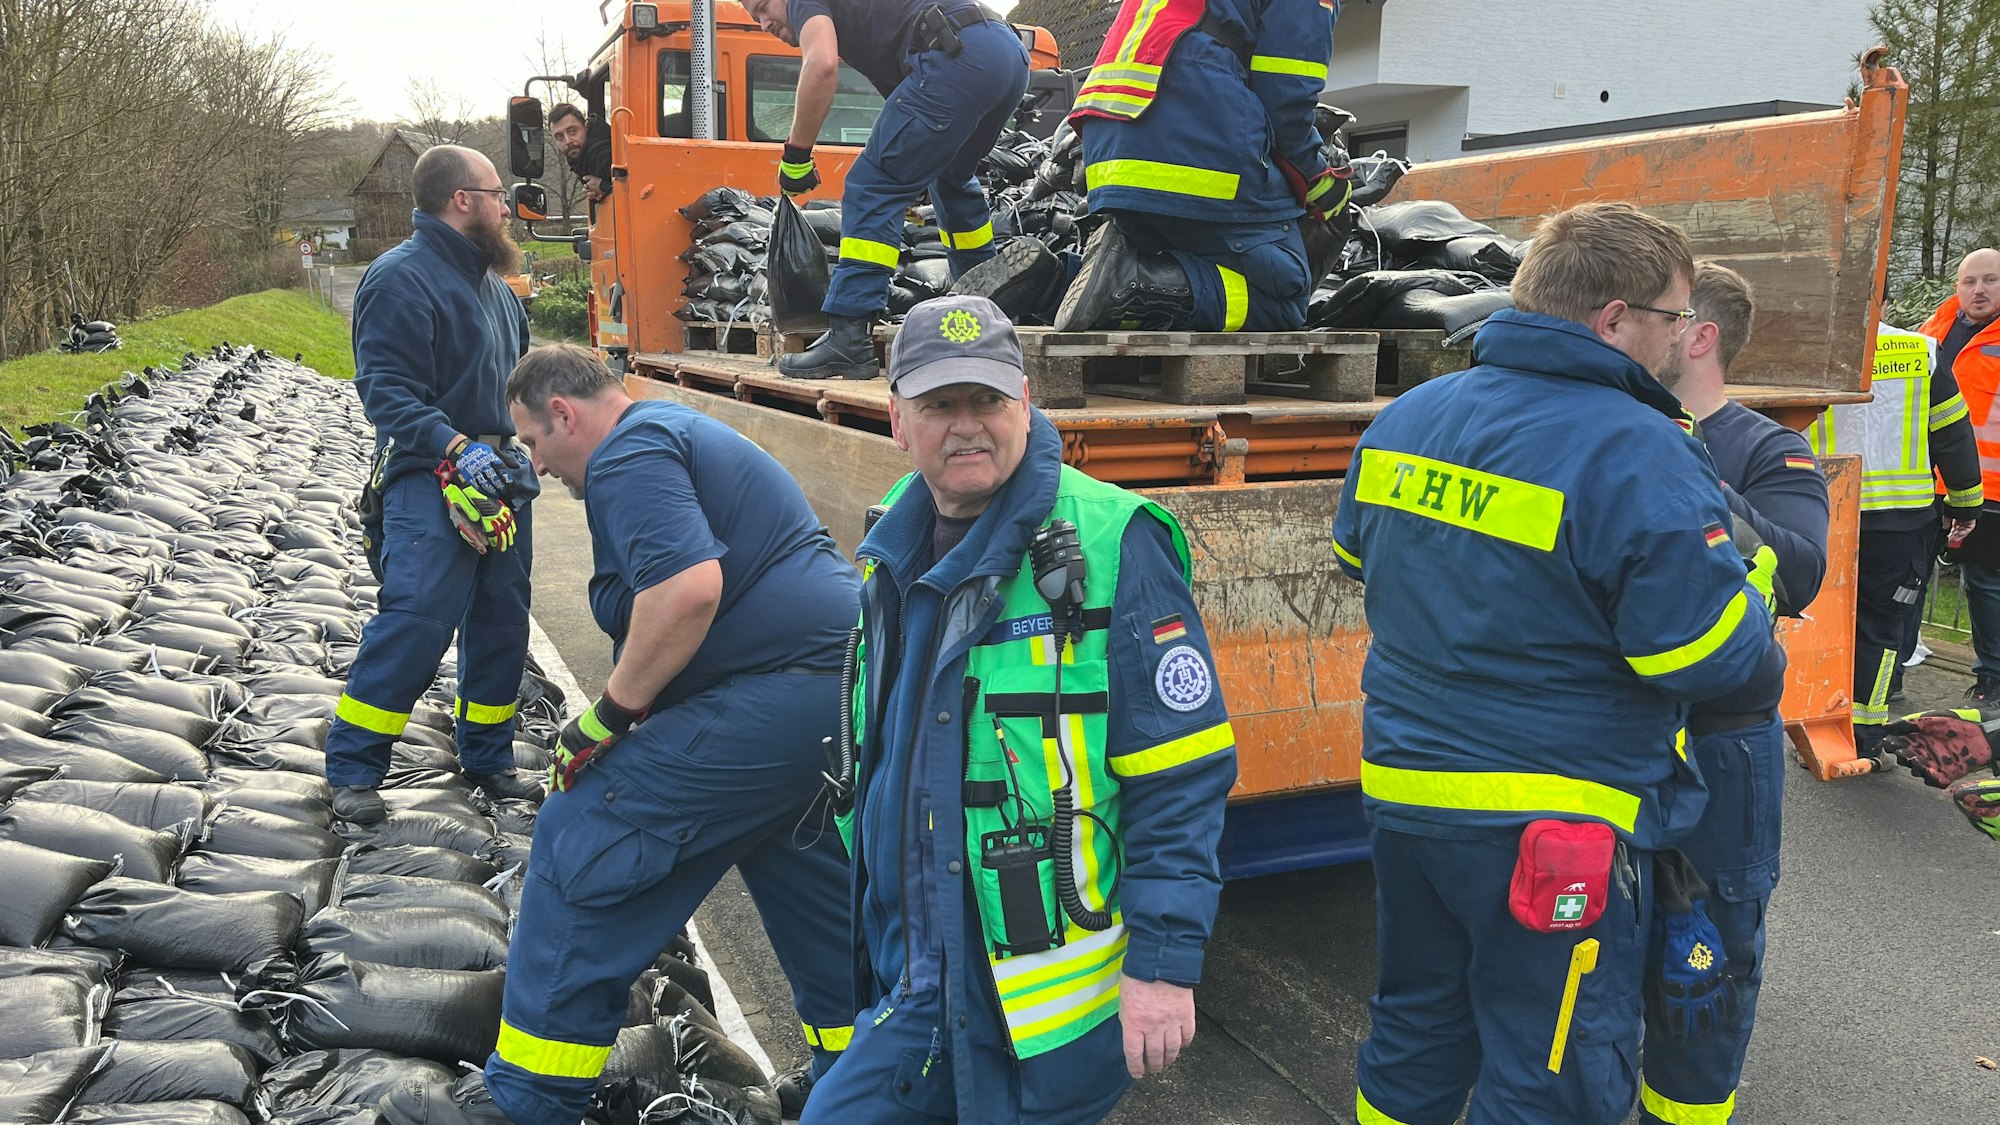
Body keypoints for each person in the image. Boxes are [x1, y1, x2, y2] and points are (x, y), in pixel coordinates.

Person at [1332, 202, 1778, 1125]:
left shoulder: (1408, 417)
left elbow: (1355, 556)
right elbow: (1697, 655)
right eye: (1672, 317)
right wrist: (1755, 587)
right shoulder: (1641, 448)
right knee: (1555, 1069)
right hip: (1554, 820)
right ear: (1615, 319)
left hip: (1407, 793)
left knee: (1417, 1026)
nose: (1679, 338)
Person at [381, 344, 858, 1125]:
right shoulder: (666, 435)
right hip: (828, 696)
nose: (538, 466)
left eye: (533, 442)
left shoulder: (629, 452)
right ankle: (860, 1071)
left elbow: (686, 590)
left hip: (787, 687)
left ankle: (528, 1096)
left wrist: (607, 715)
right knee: (803, 875)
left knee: (586, 827)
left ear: (562, 412)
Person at [802, 295, 1237, 1122]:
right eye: (939, 404)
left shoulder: (1116, 541)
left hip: (1033, 1017)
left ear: (1026, 404)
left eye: (987, 400)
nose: (966, 425)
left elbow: (1181, 777)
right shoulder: (892, 538)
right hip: (917, 968)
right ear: (898, 421)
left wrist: (1164, 966)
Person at [1639, 262, 1829, 1124]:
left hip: (1724, 740)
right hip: (1622, 727)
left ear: (1699, 336)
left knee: (1709, 951)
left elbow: (1800, 570)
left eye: (1665, 315)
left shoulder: (1766, 448)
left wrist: (1689, 474)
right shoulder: (1614, 425)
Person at [331, 144, 541, 825]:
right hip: (429, 477)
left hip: (497, 479)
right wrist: (455, 446)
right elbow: (386, 393)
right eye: (496, 194)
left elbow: (517, 382)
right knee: (418, 619)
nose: (507, 207)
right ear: (462, 200)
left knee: (501, 621)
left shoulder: (496, 289)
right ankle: (354, 769)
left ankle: (488, 756)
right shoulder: (401, 279)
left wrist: (521, 451)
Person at [987, 0, 1346, 334]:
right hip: (1190, 147)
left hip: (1109, 147)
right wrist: (1321, 180)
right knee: (1284, 296)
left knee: (1167, 263)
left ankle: (1050, 282)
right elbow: (1287, 102)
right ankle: (1129, 284)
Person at [740, 0, 1029, 380]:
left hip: (958, 53)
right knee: (952, 181)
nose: (764, 23)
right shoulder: (868, 21)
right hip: (1004, 54)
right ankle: (984, 309)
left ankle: (849, 337)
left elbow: (821, 65)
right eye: (755, 17)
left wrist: (796, 156)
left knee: (872, 185)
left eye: (763, 7)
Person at [1807, 298, 1981, 750]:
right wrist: (1965, 506)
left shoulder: (1808, 348)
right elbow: (1952, 433)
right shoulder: (1921, 351)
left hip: (1820, 513)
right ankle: (1862, 737)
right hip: (1900, 523)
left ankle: (1814, 730)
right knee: (1880, 627)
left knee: (1814, 622)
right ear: (1882, 299)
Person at [1919, 248, 2000, 699]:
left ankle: (1992, 678)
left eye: (1990, 280)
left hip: (1990, 487)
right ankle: (1892, 672)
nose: (1979, 290)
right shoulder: (1932, 330)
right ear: (1958, 286)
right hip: (1924, 480)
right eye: (1970, 281)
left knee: (1985, 583)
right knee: (1909, 577)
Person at [547, 103, 612, 204]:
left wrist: (603, 186)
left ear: (586, 126)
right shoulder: (580, 158)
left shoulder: (601, 154)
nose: (568, 141)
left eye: (573, 131)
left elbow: (635, 183)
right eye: (560, 136)